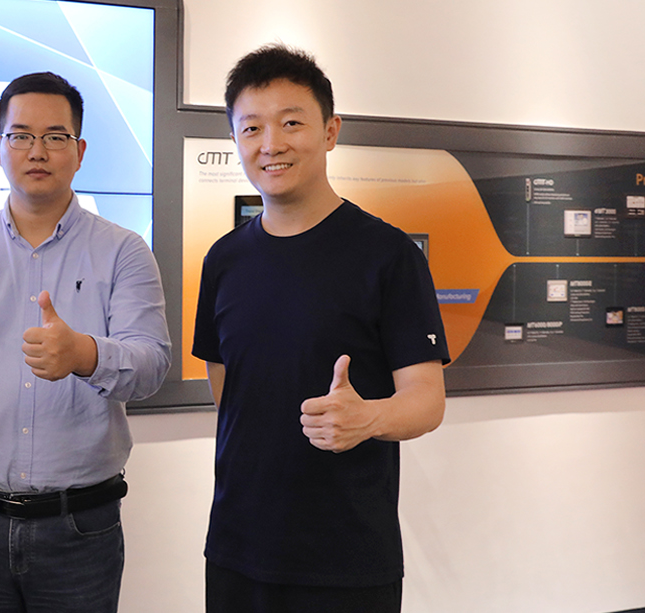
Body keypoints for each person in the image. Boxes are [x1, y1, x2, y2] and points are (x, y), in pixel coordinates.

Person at [0, 71, 171, 612]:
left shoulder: (124, 251)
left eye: (55, 137)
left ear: (79, 151)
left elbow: (152, 363)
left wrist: (85, 354)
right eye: (21, 136)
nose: (37, 151)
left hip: (79, 527)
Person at [191, 44, 450, 612]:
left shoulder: (388, 255)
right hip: (237, 546)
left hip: (346, 556)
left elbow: (427, 401)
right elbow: (226, 386)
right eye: (251, 128)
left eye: (291, 123)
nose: (270, 144)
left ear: (330, 131)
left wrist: (368, 418)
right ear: (235, 139)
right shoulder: (224, 260)